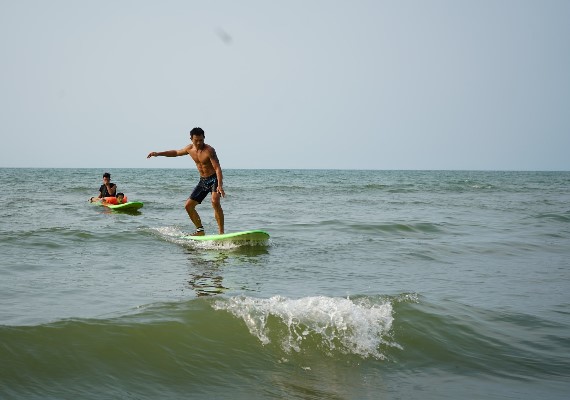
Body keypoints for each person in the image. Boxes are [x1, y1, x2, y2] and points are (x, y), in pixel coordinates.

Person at [147, 127, 225, 236]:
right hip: (203, 180)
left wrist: (220, 185)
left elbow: (217, 168)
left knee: (215, 202)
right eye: (196, 140)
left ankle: (221, 233)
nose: (198, 143)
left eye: (201, 140)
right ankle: (200, 230)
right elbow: (175, 152)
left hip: (214, 179)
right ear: (191, 139)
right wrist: (158, 153)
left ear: (204, 138)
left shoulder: (209, 150)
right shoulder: (189, 149)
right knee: (188, 206)